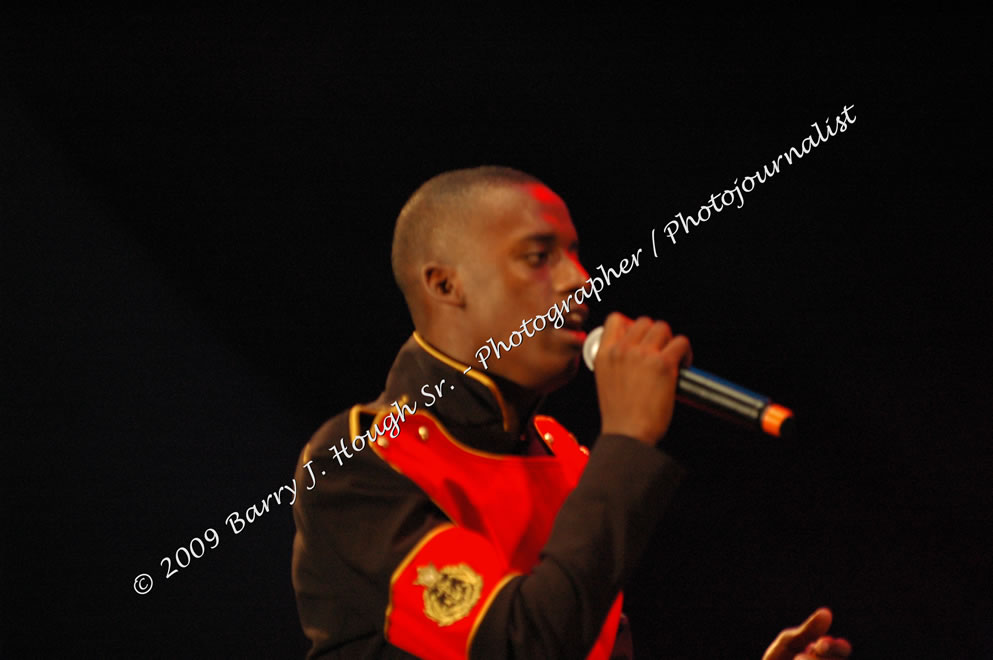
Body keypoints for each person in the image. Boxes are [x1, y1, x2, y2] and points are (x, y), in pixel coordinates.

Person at [290, 166, 851, 659]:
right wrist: (628, 440)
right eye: (539, 257)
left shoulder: (563, 452)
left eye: (575, 254)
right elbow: (521, 645)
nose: (580, 279)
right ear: (445, 284)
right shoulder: (358, 459)